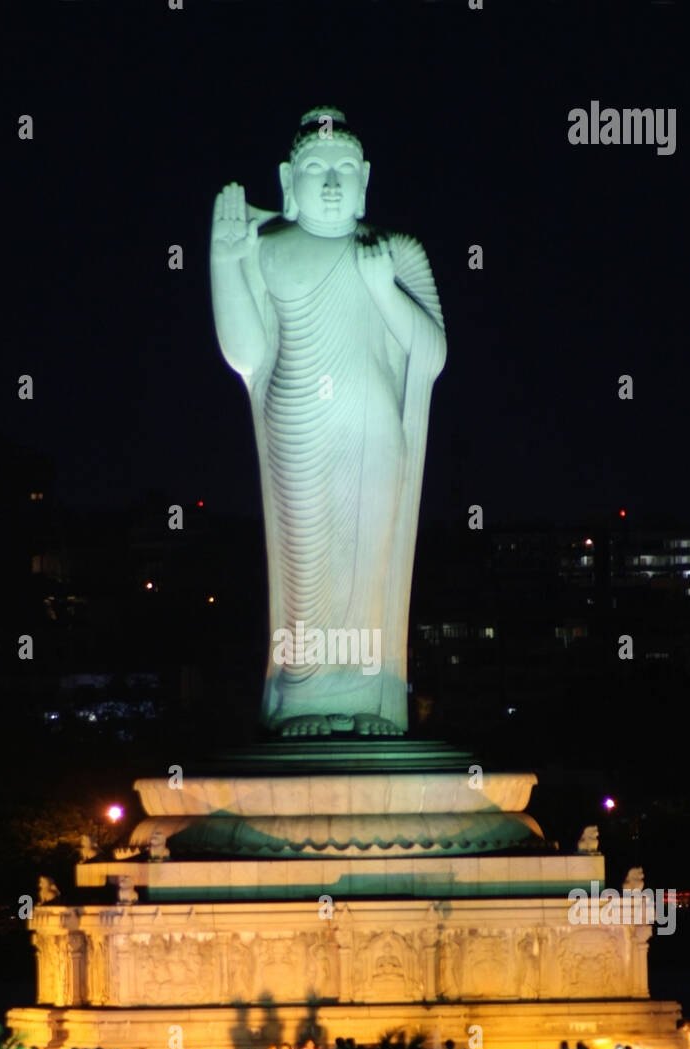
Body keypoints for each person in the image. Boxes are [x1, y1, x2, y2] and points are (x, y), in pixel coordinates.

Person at [211, 108, 446, 736]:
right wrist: (225, 266)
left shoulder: (395, 250)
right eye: (317, 170)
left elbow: (432, 354)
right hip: (296, 426)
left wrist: (383, 288)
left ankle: (370, 702)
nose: (334, 182)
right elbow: (246, 355)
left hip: (373, 434)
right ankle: (302, 700)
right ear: (289, 179)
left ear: (366, 177)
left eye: (346, 169)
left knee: (368, 572)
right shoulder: (269, 248)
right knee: (306, 573)